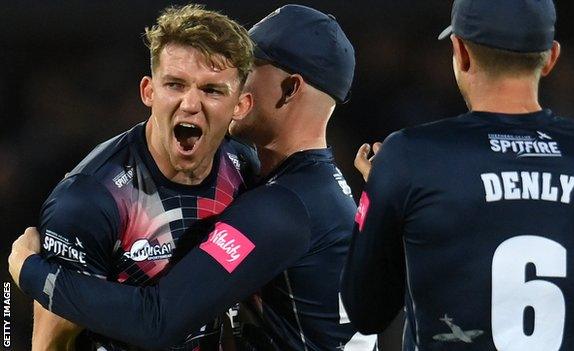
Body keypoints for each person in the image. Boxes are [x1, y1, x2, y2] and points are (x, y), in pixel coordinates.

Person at [10, 5, 377, 350]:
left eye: (248, 69)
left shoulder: (284, 203)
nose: (237, 79)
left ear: (290, 88)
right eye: (175, 84)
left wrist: (29, 270)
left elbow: (159, 319)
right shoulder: (315, 188)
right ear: (149, 91)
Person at [341, 0, 574, 350]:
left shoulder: (410, 158)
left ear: (460, 52)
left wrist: (385, 197)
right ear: (551, 57)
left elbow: (365, 313)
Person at [7, 4, 257, 350]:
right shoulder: (90, 199)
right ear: (148, 91)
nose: (190, 103)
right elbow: (51, 342)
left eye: (212, 90)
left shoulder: (245, 168)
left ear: (241, 105)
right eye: (175, 84)